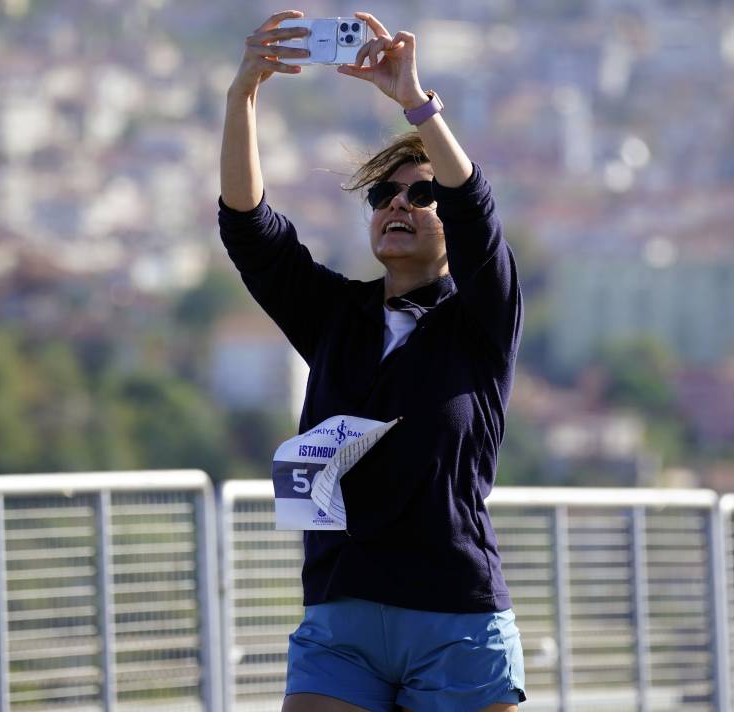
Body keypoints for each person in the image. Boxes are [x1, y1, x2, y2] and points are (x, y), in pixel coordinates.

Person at [219, 10, 525, 712]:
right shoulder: (336, 317)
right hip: (342, 612)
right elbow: (251, 231)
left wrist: (414, 103)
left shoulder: (483, 319)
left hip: (453, 614)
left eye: (423, 195)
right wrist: (243, 97)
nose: (400, 204)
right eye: (384, 195)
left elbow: (477, 212)